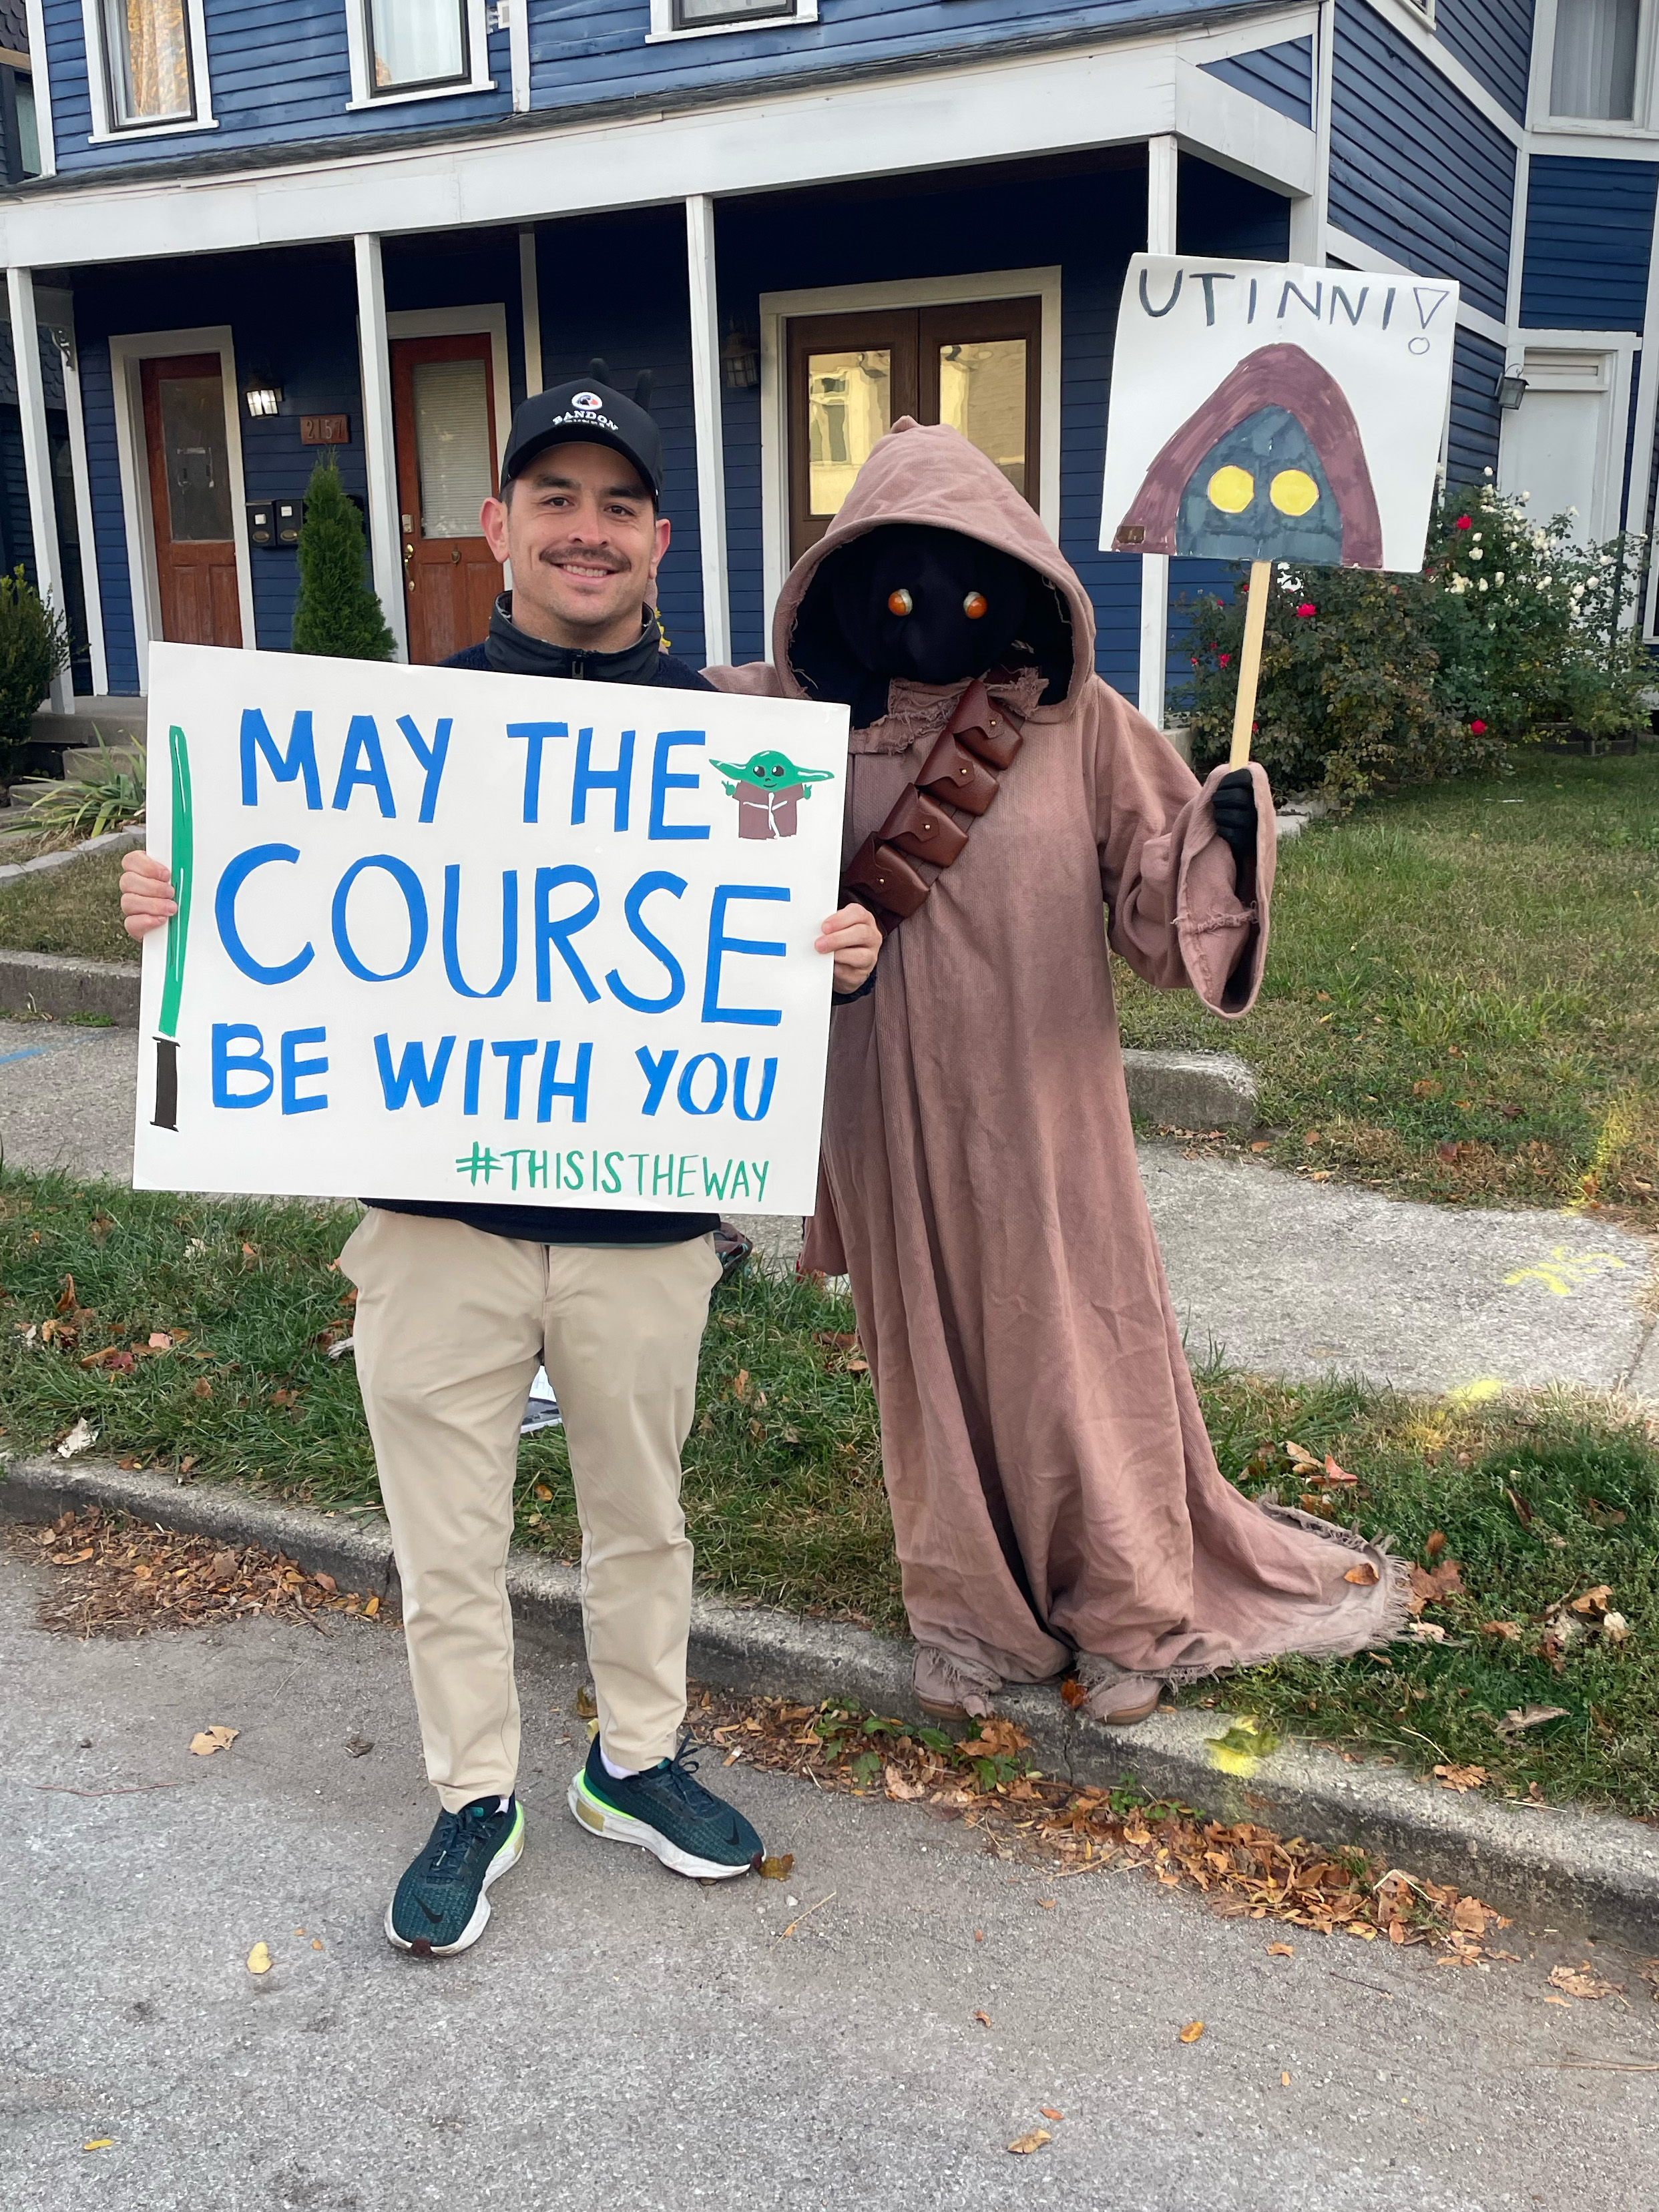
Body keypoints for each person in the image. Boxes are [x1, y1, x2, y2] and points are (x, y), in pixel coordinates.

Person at [121, 376, 882, 1955]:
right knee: (443, 1537)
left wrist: (838, 951)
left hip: (645, 1219)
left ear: (660, 538)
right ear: (500, 526)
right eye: (555, 499)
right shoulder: (392, 737)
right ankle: (476, 1792)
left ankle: (636, 1761)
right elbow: (285, 898)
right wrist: (174, 898)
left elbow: (763, 950)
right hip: (435, 1221)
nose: (586, 531)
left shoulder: (738, 749)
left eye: (617, 504)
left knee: (642, 1514)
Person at [705, 419, 1403, 1727]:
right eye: (898, 597)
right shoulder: (782, 723)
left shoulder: (1078, 726)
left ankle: (1127, 1607)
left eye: (966, 594)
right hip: (885, 1111)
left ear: (1016, 581)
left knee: (1077, 1345)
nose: (930, 627)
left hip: (1044, 1107)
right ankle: (974, 1619)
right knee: (932, 1362)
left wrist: (1222, 837)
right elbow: (621, 776)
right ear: (845, 588)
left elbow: (1157, 901)